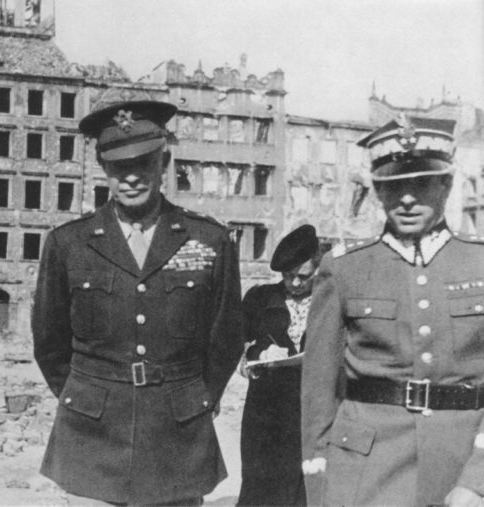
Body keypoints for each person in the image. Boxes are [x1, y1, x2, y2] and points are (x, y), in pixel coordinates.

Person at [31, 89, 243, 506]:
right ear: (102, 169)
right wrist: (88, 397)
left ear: (163, 163)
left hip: (176, 435)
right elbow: (50, 343)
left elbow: (227, 337)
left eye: (142, 163)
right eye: (117, 166)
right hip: (92, 437)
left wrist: (199, 399)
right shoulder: (68, 244)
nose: (130, 177)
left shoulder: (209, 240)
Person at [301, 114, 484, 507]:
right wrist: (319, 480)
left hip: (461, 462)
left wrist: (478, 479)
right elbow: (319, 390)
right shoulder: (344, 268)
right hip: (366, 468)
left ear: (447, 183)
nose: (406, 198)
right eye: (393, 186)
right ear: (378, 192)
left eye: (421, 183)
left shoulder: (479, 264)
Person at [237, 224, 320, 507]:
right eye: (288, 276)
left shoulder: (329, 300)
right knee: (261, 488)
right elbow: (237, 345)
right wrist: (252, 358)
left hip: (311, 410)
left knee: (303, 489)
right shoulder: (260, 299)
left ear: (317, 268)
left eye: (303, 277)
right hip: (266, 413)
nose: (295, 284)